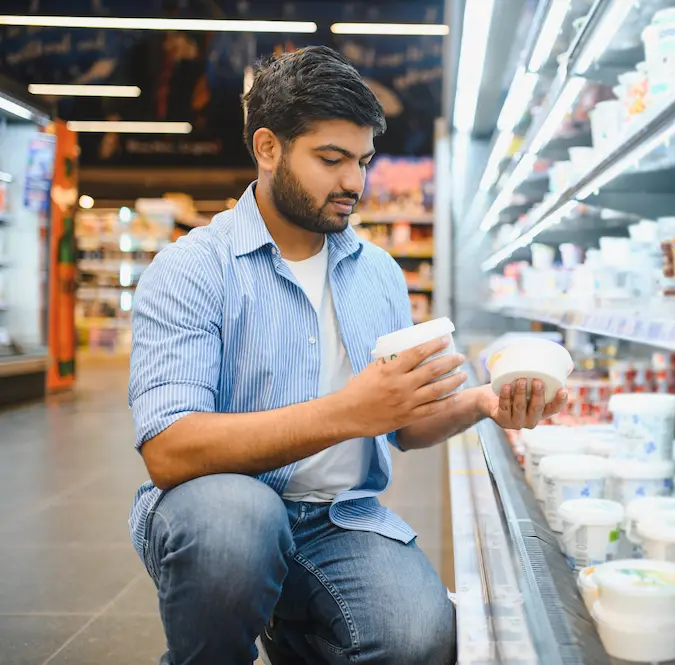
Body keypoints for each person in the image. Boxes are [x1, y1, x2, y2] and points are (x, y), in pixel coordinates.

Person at [128, 45, 568, 665]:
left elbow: (405, 428)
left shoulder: (378, 274)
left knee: (421, 638)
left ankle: (291, 626)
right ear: (268, 148)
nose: (354, 184)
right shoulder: (192, 269)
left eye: (363, 161)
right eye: (331, 159)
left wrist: (482, 402)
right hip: (220, 506)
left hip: (339, 519)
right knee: (236, 531)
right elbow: (169, 450)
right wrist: (348, 412)